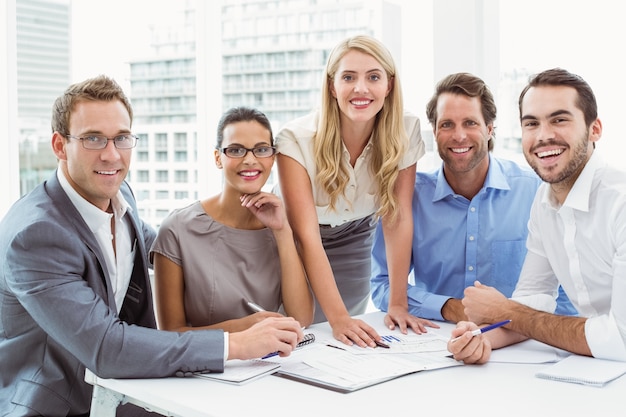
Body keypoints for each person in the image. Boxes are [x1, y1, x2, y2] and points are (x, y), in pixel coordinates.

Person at [0, 75, 304, 416]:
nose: (111, 155)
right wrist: (236, 343)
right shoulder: (35, 236)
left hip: (127, 390)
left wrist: (228, 238)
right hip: (59, 403)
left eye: (121, 138)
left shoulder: (117, 193)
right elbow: (107, 348)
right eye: (93, 139)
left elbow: (157, 244)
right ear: (59, 146)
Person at [371, 72, 576, 332]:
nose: (459, 136)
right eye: (446, 125)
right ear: (434, 132)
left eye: (470, 123)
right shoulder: (409, 197)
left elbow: (567, 288)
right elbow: (382, 285)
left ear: (490, 129)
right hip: (433, 340)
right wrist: (449, 307)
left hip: (519, 342)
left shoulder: (534, 192)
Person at [448, 68, 626, 364]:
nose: (543, 136)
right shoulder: (544, 202)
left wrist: (506, 312)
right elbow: (534, 296)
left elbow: (621, 338)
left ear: (594, 129)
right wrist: (483, 336)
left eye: (559, 119)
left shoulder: (620, 203)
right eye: (531, 124)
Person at [275, 35, 435, 347]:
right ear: (332, 85)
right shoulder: (295, 139)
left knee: (336, 342)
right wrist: (338, 318)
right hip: (289, 239)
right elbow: (306, 236)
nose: (360, 89)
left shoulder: (406, 129)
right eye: (349, 77)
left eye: (373, 77)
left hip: (354, 237)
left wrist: (398, 303)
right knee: (290, 327)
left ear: (388, 85)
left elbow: (397, 217)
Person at [151, 106, 314, 333]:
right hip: (206, 365)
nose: (250, 160)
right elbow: (170, 334)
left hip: (270, 362)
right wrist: (244, 329)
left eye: (261, 150)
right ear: (218, 158)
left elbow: (301, 318)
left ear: (272, 158)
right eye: (236, 150)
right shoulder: (177, 229)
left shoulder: (286, 222)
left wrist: (282, 231)